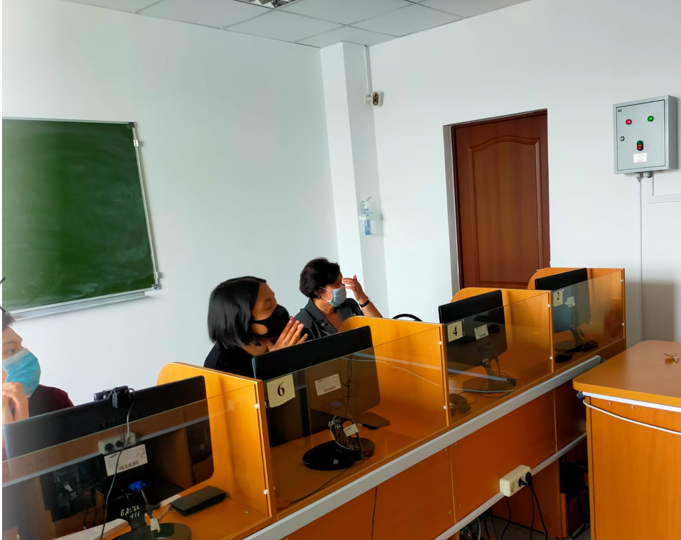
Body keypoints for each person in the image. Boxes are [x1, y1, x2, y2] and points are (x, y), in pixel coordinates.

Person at [204, 276, 307, 378]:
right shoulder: (220, 367)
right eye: (268, 307)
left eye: (275, 301)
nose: (279, 310)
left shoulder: (291, 340)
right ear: (242, 320)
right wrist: (274, 363)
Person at [2, 311, 73, 431]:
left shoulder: (54, 399)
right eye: (10, 350)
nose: (27, 357)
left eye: (22, 347)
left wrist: (22, 410)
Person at [294, 258, 382, 339]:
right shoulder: (303, 322)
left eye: (342, 282)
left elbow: (380, 329)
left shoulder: (350, 305)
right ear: (317, 291)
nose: (343, 286)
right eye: (337, 284)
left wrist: (362, 299)